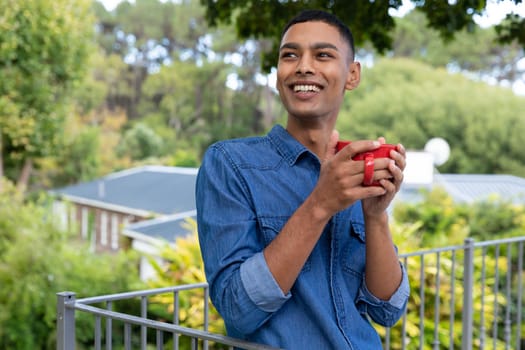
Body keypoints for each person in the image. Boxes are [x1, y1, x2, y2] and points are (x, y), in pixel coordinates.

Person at [196, 9, 410, 349]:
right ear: (278, 73)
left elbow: (387, 309)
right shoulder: (230, 164)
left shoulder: (353, 168)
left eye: (323, 55)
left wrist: (375, 216)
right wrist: (321, 203)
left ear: (352, 74)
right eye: (289, 56)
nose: (303, 66)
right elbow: (237, 308)